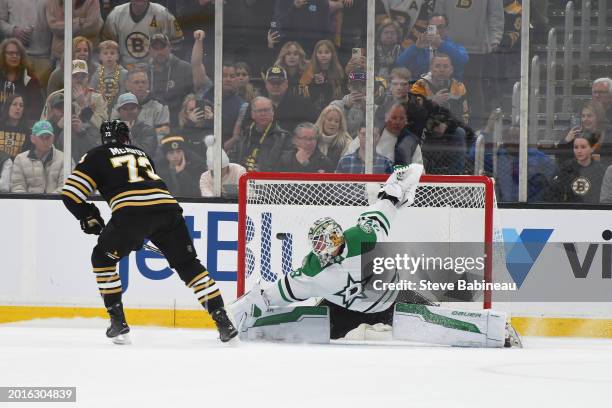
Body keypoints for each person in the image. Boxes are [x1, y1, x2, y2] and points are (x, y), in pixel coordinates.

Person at [231, 163, 522, 347]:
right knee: (307, 324)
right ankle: (249, 329)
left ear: (339, 238)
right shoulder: (311, 271)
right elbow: (277, 293)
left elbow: (390, 201)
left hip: (391, 298)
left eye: (329, 242)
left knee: (432, 320)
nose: (325, 249)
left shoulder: (361, 237)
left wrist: (399, 183)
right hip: (345, 310)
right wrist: (249, 306)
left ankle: (496, 330)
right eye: (319, 245)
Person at [60, 120, 237, 343]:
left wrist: (88, 216)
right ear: (127, 137)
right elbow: (145, 191)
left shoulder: (97, 154)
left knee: (101, 259)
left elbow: (71, 194)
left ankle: (118, 321)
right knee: (188, 264)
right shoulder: (141, 153)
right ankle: (223, 321)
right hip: (168, 209)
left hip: (131, 213)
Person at [434, 0, 504, 128]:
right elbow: (439, 11)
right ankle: (447, 124)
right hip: (450, 43)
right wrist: (439, 37)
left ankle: (475, 127)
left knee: (474, 88)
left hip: (476, 47)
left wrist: (495, 38)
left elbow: (496, 14)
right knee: (446, 86)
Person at [102, 0, 184, 68]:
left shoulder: (163, 14)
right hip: (123, 70)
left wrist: (163, 64)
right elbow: (107, 47)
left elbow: (177, 44)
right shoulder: (116, 14)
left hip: (157, 71)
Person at [396, 13, 468, 81]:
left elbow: (462, 60)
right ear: (427, 28)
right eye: (432, 27)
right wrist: (416, 47)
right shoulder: (420, 46)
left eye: (440, 27)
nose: (437, 30)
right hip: (421, 87)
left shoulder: (454, 46)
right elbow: (400, 63)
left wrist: (441, 44)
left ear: (447, 28)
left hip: (448, 88)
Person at [0, 0, 53, 89]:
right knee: (15, 96)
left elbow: (59, 19)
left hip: (44, 58)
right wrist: (13, 30)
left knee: (41, 98)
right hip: (16, 57)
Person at [232, 96, 291, 172]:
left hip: (267, 180)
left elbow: (285, 166)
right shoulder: (244, 134)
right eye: (259, 111)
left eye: (266, 110)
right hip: (242, 178)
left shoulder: (283, 138)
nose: (263, 114)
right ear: (252, 114)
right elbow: (234, 158)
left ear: (273, 112)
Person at [147, 33, 193, 126]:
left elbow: (195, 94)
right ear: (149, 50)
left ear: (169, 48)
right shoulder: (143, 71)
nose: (159, 52)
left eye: (163, 47)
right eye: (155, 48)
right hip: (150, 122)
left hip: (177, 122)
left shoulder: (185, 68)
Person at [411, 53, 470, 124]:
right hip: (426, 126)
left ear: (451, 70)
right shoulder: (420, 86)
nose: (441, 70)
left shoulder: (459, 87)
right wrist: (433, 103)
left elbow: (464, 113)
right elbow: (414, 114)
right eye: (437, 66)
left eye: (445, 66)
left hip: (452, 126)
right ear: (431, 69)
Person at [112, 67, 170, 138]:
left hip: (152, 146)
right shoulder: (120, 104)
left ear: (148, 84)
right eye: (136, 82)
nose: (141, 85)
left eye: (144, 82)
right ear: (127, 85)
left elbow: (163, 133)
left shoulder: (160, 106)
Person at [10, 120, 66, 193]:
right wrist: (28, 203)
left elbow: (65, 187)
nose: (45, 140)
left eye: (48, 137)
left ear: (53, 138)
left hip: (56, 203)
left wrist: (50, 202)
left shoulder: (64, 159)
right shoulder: (20, 159)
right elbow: (17, 186)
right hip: (27, 203)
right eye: (41, 137)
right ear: (32, 139)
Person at [546, 133, 603, 204]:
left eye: (583, 147)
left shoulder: (601, 170)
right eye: (576, 147)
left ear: (592, 149)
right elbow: (552, 195)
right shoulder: (564, 169)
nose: (579, 151)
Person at [262, 65, 317, 135]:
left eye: (279, 82)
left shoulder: (302, 104)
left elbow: (313, 127)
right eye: (272, 83)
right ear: (266, 84)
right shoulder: (257, 104)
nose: (275, 86)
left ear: (286, 84)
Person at [0, 38, 43, 124]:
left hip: (21, 125)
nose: (14, 56)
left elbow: (36, 106)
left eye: (17, 53)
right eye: (10, 53)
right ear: (2, 55)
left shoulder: (30, 78)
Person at [299, 39, 345, 113]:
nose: (323, 55)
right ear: (315, 54)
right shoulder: (309, 70)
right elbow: (302, 90)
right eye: (320, 52)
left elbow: (340, 93)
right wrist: (313, 83)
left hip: (333, 109)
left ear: (332, 54)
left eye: (327, 52)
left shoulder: (338, 70)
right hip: (312, 109)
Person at [89, 40, 128, 117]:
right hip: (99, 110)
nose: (109, 56)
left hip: (119, 111)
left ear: (117, 56)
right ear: (100, 56)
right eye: (105, 53)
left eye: (112, 53)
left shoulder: (124, 73)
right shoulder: (96, 74)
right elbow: (91, 92)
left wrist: (117, 109)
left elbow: (124, 93)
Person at [115, 92, 157, 158]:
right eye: (125, 108)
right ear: (119, 111)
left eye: (132, 108)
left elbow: (147, 153)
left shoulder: (147, 130)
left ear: (138, 110)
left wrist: (127, 134)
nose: (129, 111)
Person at [0, 94, 31, 159]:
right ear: (7, 107)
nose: (18, 108)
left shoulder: (27, 131)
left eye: (21, 105)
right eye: (14, 104)